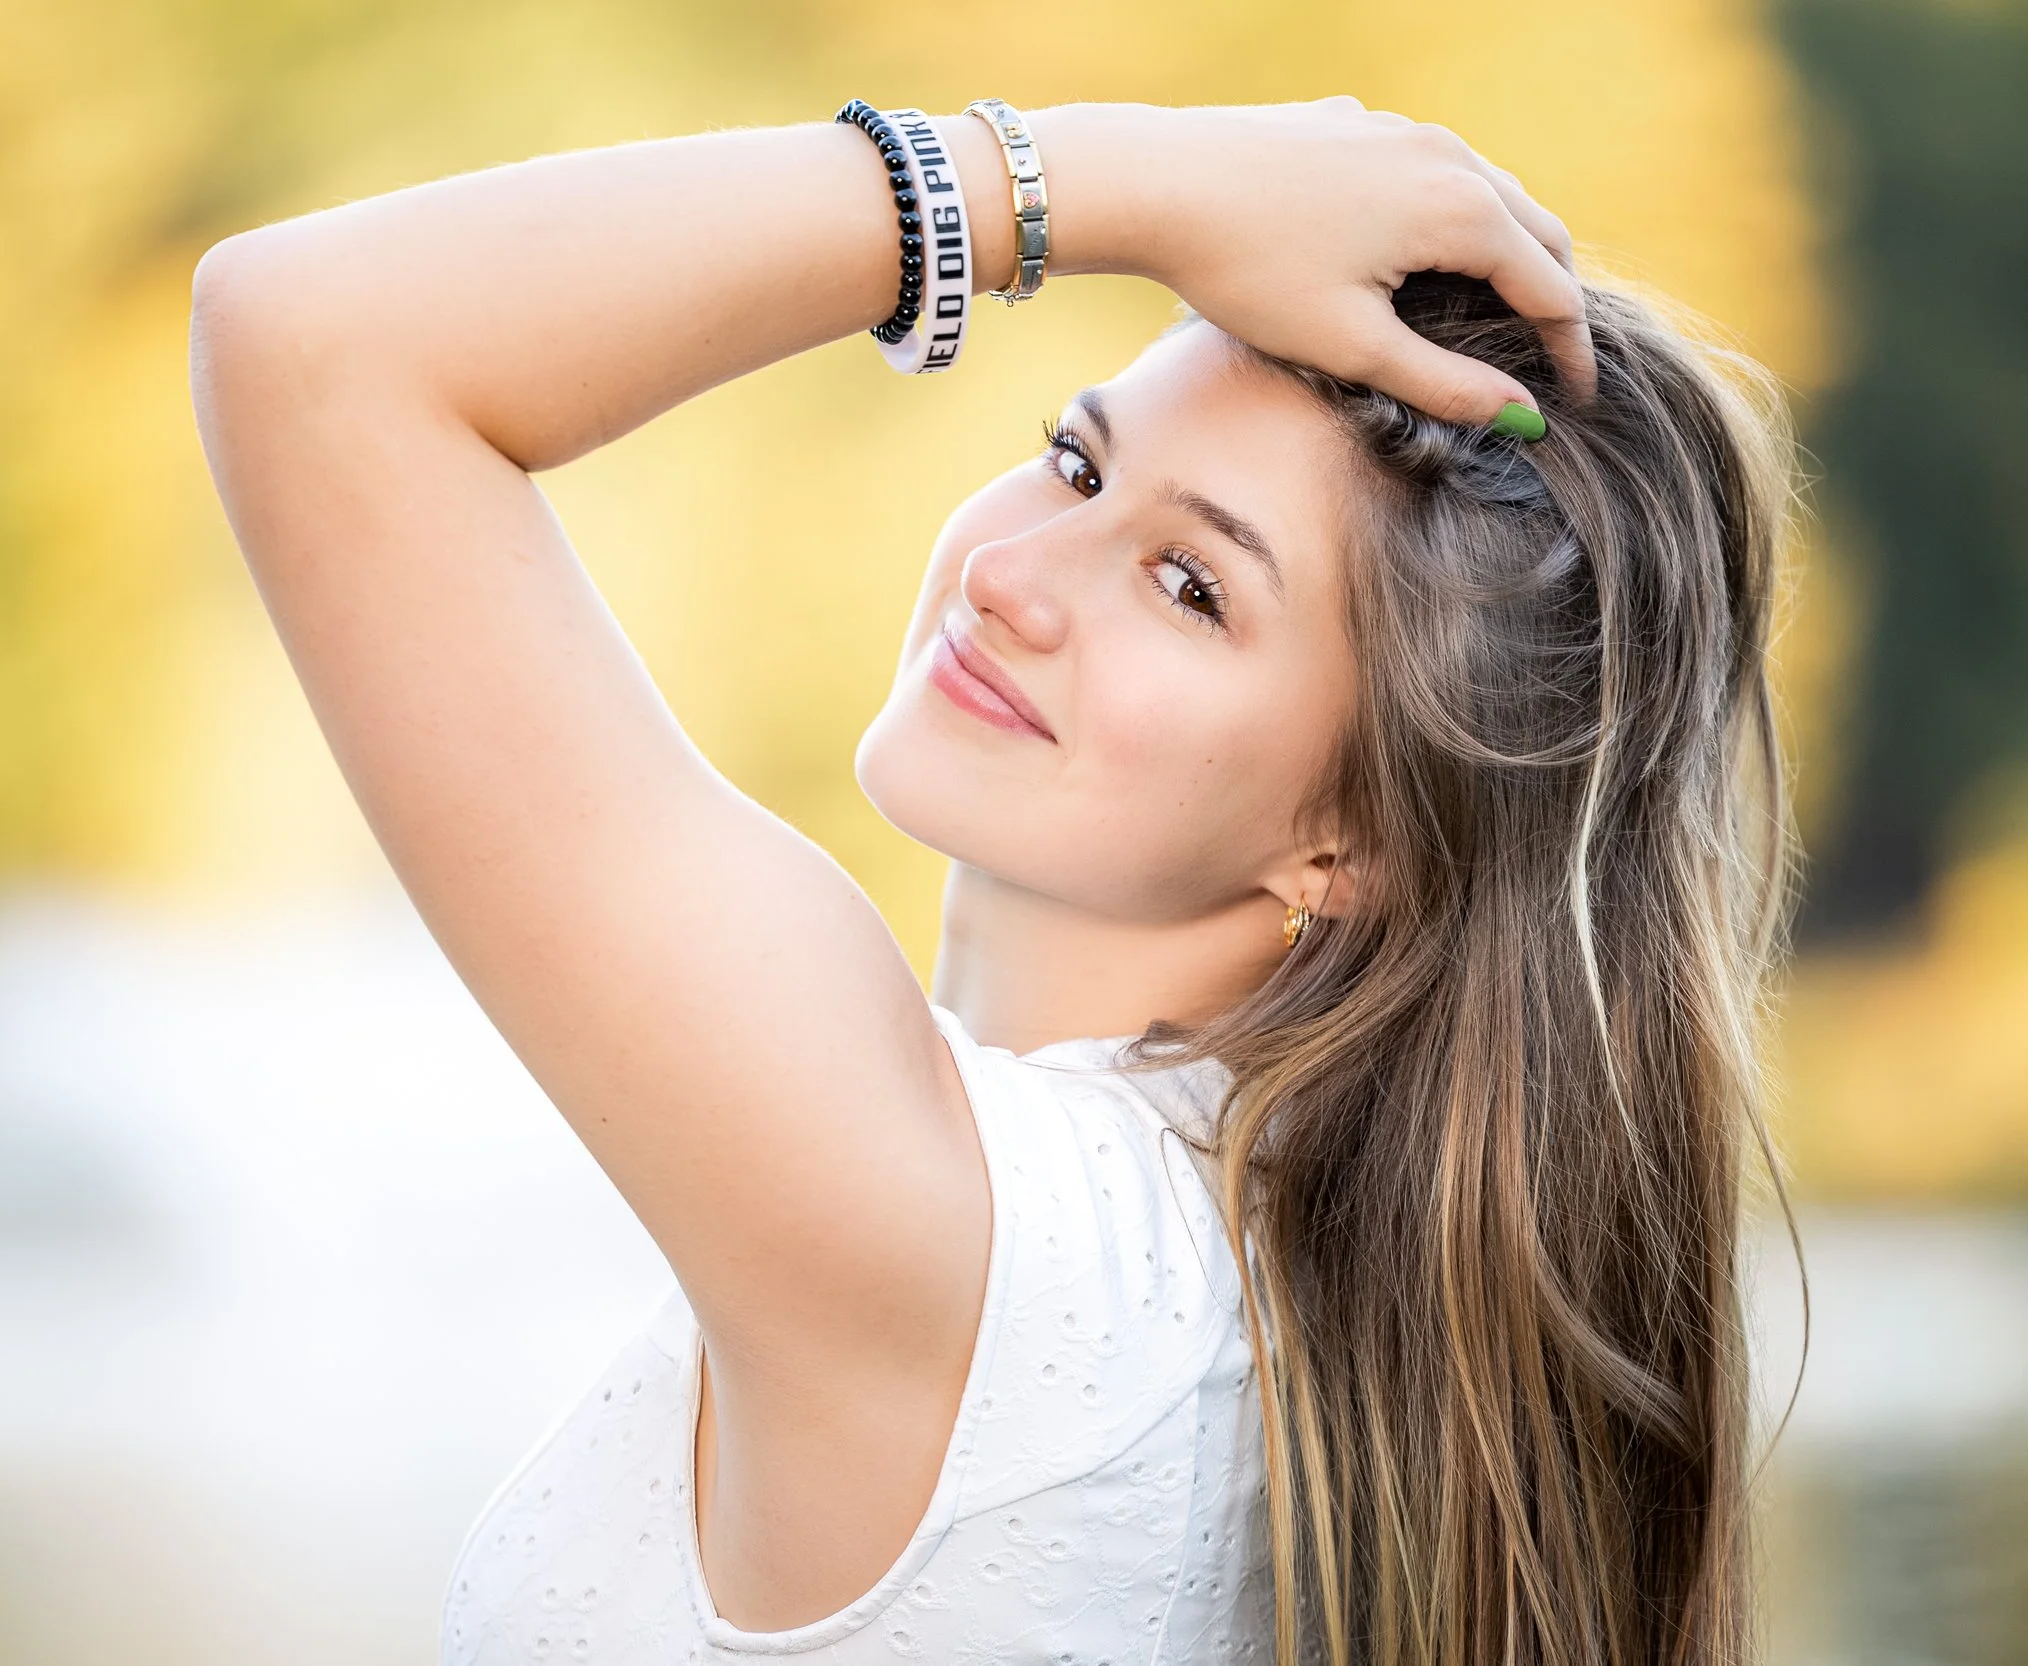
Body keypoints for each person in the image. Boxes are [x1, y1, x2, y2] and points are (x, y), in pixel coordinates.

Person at [188, 96, 1797, 1666]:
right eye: (1077, 464)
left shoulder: (977, 1247)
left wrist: (1105, 180)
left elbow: (319, 342)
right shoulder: (1254, 1270)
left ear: (1353, 839)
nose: (1012, 575)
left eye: (1191, 586)